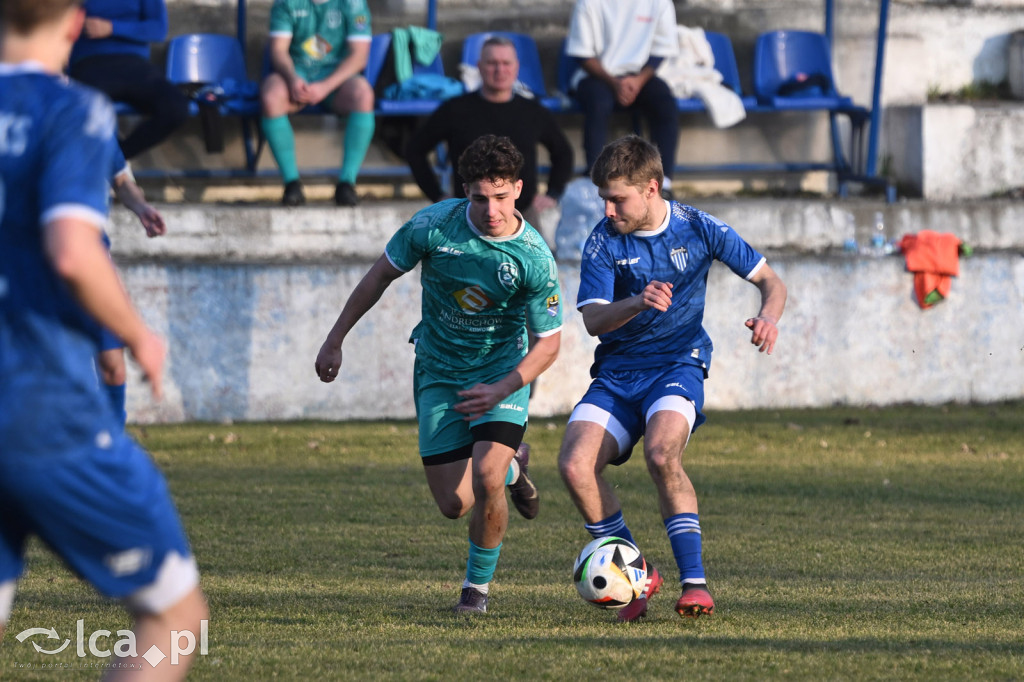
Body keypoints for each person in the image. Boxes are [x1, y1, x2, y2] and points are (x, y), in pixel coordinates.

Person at [0, 2, 208, 678]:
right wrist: (138, 332)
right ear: (75, 22)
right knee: (175, 615)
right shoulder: (73, 108)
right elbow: (70, 251)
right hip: (35, 403)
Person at [315, 135, 563, 614]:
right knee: (454, 504)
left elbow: (549, 341)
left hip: (500, 376)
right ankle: (515, 465)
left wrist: (506, 385)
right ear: (464, 190)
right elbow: (378, 277)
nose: (491, 209)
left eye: (501, 196)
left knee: (486, 475)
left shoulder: (533, 258)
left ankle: (475, 593)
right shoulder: (433, 226)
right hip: (438, 372)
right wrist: (334, 338)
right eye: (479, 197)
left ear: (518, 189)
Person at [557, 135, 787, 622]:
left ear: (651, 188)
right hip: (618, 374)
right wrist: (637, 300)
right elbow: (594, 321)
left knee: (663, 454)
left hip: (677, 364)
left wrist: (768, 317)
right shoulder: (602, 239)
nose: (608, 207)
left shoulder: (699, 227)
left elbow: (771, 281)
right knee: (576, 466)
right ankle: (637, 575)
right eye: (604, 197)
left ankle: (696, 584)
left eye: (617, 198)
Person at [405, 35, 574, 219]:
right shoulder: (455, 110)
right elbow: (415, 150)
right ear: (479, 66)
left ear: (516, 67)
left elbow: (563, 153)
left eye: (506, 63)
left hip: (522, 215)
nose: (499, 70)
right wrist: (438, 196)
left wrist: (553, 193)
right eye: (492, 63)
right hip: (466, 216)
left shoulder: (533, 111)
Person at [261, 0, 376, 207]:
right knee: (271, 95)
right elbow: (278, 50)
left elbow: (359, 56)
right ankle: (292, 184)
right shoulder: (286, 3)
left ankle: (346, 184)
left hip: (336, 78)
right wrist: (292, 78)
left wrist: (325, 86)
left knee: (364, 95)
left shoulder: (353, 4)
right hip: (298, 76)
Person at [565, 0, 681, 198]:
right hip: (597, 76)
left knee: (665, 103)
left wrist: (637, 81)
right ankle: (596, 180)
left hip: (640, 77)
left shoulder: (659, 3)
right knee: (598, 103)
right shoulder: (588, 4)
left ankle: (663, 181)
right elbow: (581, 54)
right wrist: (614, 83)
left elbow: (661, 49)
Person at [97, 142, 167, 426]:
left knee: (112, 363)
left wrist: (141, 207)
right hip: (27, 260)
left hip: (90, 253)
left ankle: (113, 437)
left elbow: (121, 179)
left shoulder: (90, 118)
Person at [67, 0, 190, 159]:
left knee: (175, 107)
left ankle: (117, 161)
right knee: (84, 110)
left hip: (135, 66)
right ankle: (107, 167)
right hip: (89, 63)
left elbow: (158, 30)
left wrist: (112, 28)